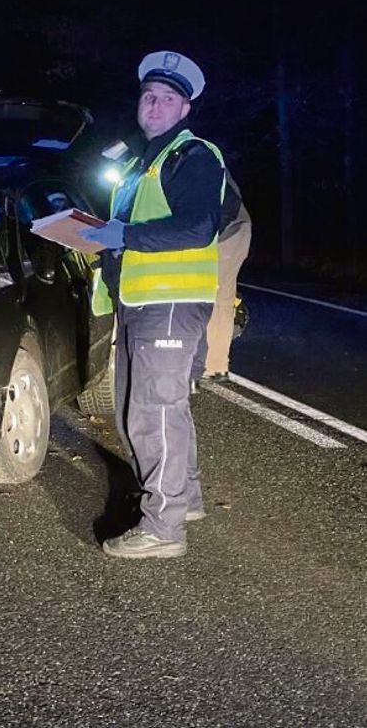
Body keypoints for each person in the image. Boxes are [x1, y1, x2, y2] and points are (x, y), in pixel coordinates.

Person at [80, 50, 226, 560]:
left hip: (168, 303)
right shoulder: (143, 163)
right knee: (146, 409)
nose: (156, 106)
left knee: (152, 412)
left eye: (168, 99)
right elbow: (128, 231)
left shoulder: (193, 156)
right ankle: (184, 501)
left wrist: (126, 234)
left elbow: (197, 226)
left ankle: (163, 529)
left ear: (185, 110)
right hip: (140, 303)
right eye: (149, 97)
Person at [192, 169, 252, 381]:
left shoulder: (191, 168)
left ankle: (202, 365)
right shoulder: (213, 163)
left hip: (224, 233)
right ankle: (217, 366)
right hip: (239, 229)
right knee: (223, 300)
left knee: (204, 297)